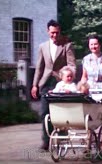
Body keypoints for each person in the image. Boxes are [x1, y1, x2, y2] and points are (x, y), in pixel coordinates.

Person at [31, 19, 76, 151]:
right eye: (52, 33)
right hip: (45, 83)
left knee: (61, 113)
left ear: (59, 31)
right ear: (47, 31)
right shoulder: (42, 46)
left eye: (56, 33)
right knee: (44, 113)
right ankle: (46, 142)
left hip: (61, 84)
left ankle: (61, 139)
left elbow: (72, 65)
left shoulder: (67, 45)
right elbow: (39, 67)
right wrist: (35, 85)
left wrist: (69, 79)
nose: (54, 35)